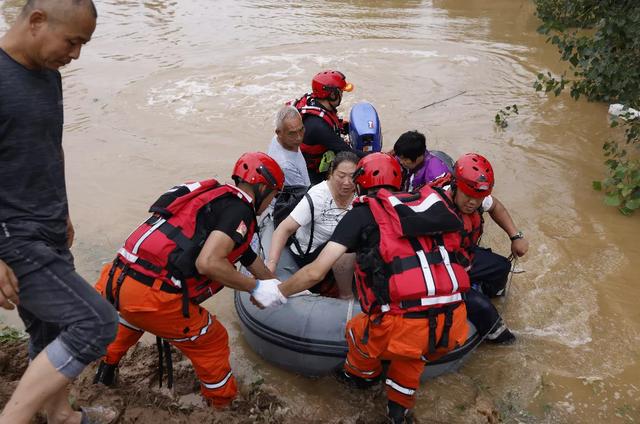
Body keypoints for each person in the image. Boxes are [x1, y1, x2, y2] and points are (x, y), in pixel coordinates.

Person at [273, 153, 471, 423]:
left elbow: (316, 272)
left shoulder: (362, 214)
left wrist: (278, 292)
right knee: (412, 357)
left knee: (358, 332)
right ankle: (398, 411)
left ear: (360, 183)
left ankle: (359, 382)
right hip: (453, 321)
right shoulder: (428, 206)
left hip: (403, 326)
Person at [0, 1, 121, 423]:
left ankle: (59, 416)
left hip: (48, 225)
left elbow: (50, 145)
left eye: (83, 44)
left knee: (49, 331)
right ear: (36, 21)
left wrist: (63, 210)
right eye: (73, 41)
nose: (75, 55)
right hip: (13, 238)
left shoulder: (47, 75)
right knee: (96, 323)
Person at [92, 152, 287, 409]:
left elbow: (247, 256)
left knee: (129, 317)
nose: (271, 202)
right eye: (273, 195)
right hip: (154, 296)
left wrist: (276, 285)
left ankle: (104, 372)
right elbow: (208, 263)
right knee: (213, 338)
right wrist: (256, 287)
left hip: (116, 281)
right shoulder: (241, 211)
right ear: (263, 188)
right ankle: (220, 406)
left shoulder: (214, 198)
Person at [432, 153, 529, 343]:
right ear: (455, 186)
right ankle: (502, 340)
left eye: (478, 198)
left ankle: (488, 289)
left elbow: (495, 207)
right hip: (440, 270)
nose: (473, 203)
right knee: (483, 308)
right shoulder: (434, 206)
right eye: (468, 196)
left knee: (502, 266)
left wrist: (515, 236)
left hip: (462, 256)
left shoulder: (476, 196)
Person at [267, 151, 359, 299]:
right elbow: (284, 229)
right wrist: (271, 265)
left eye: (352, 176)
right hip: (312, 255)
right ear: (331, 173)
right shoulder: (318, 196)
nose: (347, 182)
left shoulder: (360, 196)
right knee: (345, 248)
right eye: (341, 176)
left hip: (337, 251)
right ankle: (346, 296)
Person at [291, 70, 366, 184]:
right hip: (311, 173)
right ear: (332, 95)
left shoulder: (314, 101)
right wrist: (379, 156)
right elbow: (348, 152)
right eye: (340, 92)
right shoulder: (318, 126)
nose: (342, 95)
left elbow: (334, 124)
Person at [267, 105, 310, 187]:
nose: (299, 137)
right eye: (292, 133)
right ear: (279, 133)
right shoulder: (286, 166)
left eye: (301, 130)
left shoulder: (279, 139)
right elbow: (302, 193)